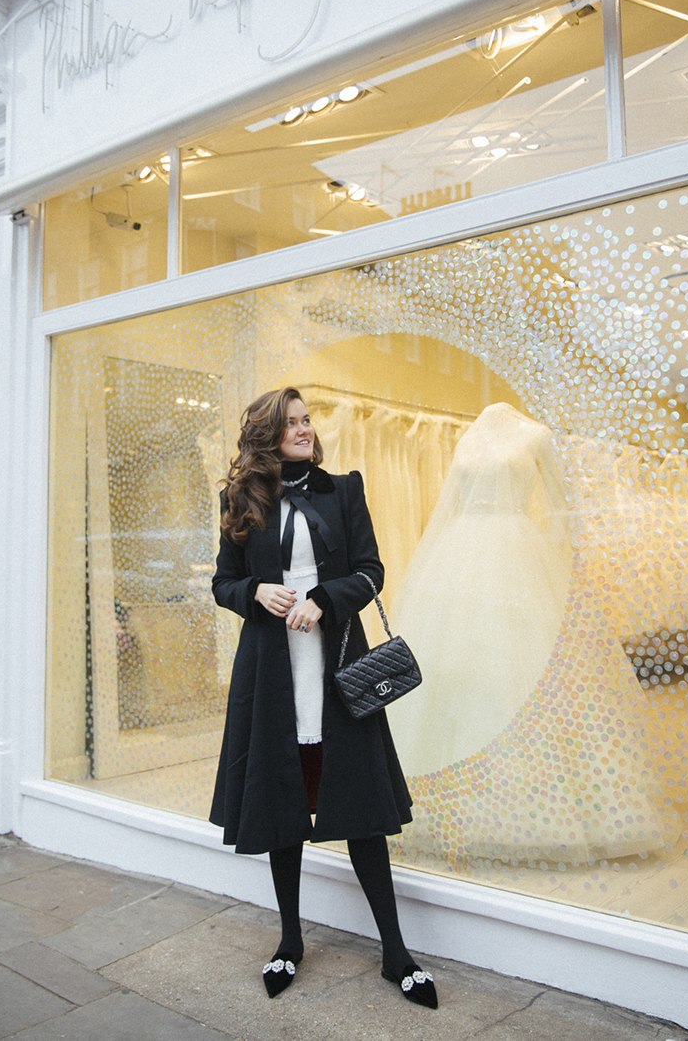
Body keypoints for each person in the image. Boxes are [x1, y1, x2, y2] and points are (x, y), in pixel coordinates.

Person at [209, 387, 437, 1009]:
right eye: (292, 423)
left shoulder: (345, 490)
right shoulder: (240, 500)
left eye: (307, 421)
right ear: (267, 434)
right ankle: (290, 941)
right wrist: (256, 592)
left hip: (339, 672)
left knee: (362, 809)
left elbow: (371, 571)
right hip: (272, 680)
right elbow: (221, 582)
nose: (305, 430)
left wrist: (323, 600)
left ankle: (395, 951)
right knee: (284, 810)